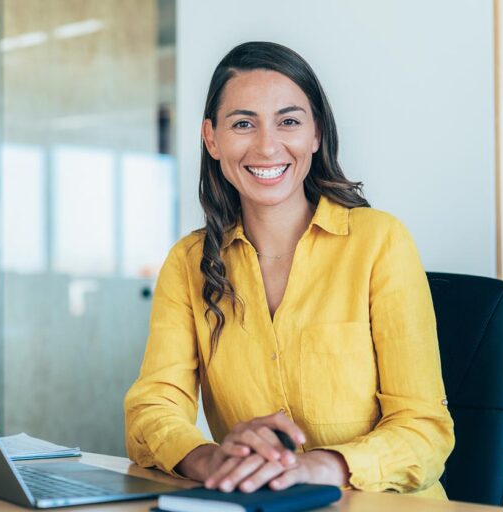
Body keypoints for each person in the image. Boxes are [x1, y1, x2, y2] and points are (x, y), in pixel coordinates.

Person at [124, 41, 454, 499]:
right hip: (256, 505)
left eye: (289, 121)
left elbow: (425, 430)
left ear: (315, 134)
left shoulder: (380, 241)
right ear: (211, 139)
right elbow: (151, 409)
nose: (266, 145)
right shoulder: (189, 263)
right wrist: (210, 458)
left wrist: (318, 467)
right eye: (243, 123)